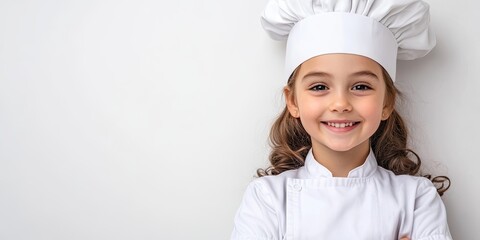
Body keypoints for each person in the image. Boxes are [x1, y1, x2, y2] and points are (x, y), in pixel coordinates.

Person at [231, 0, 452, 239]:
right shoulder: (267, 198)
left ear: (387, 102)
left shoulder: (417, 198)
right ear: (293, 101)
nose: (340, 104)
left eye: (360, 86)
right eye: (319, 86)